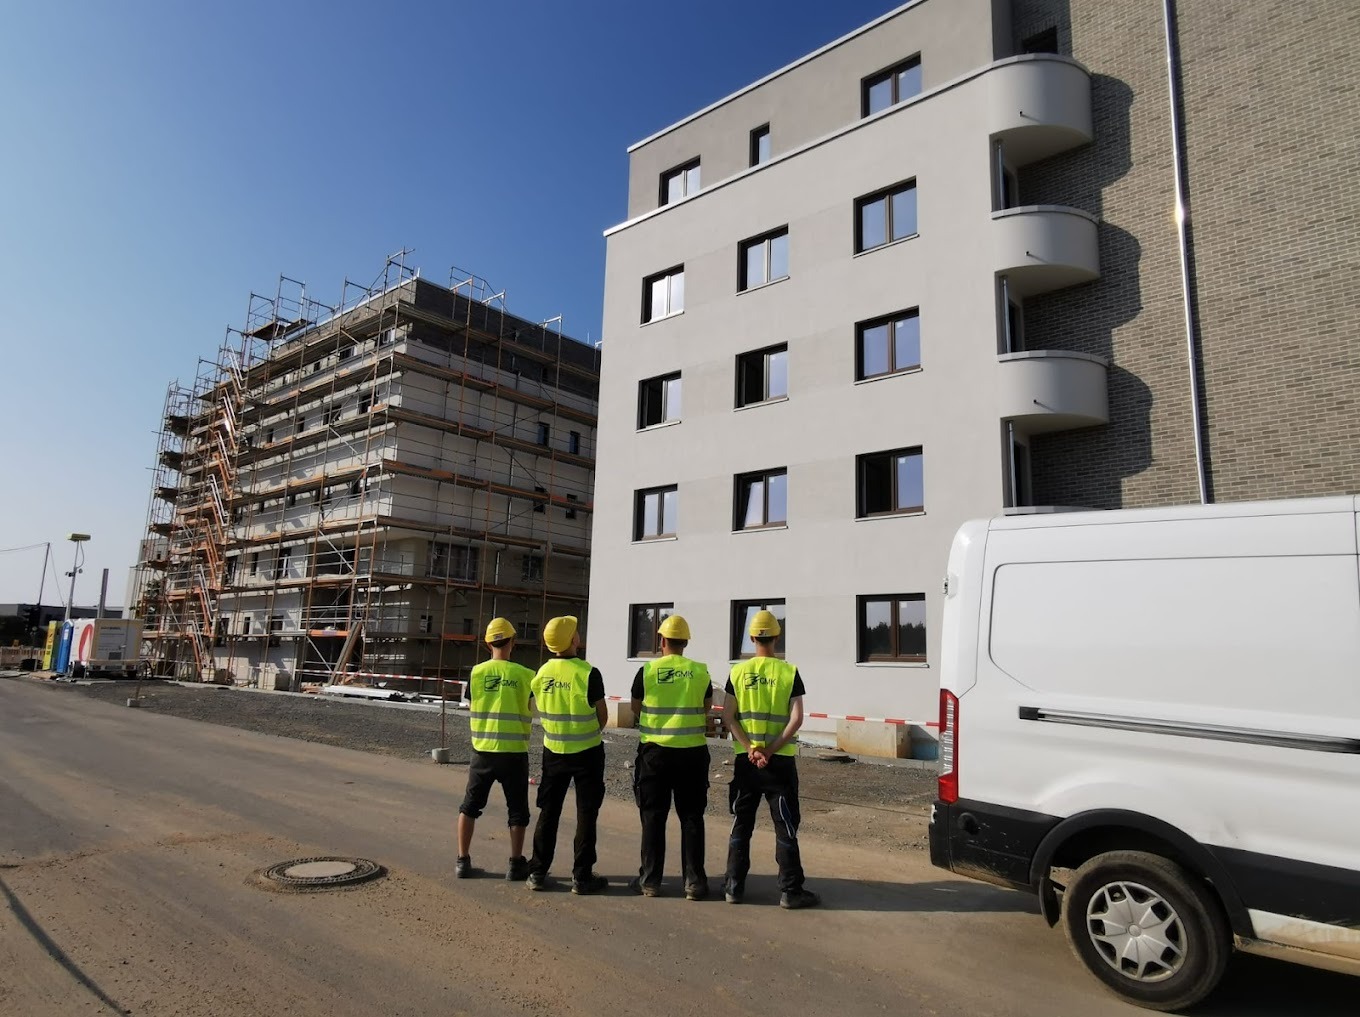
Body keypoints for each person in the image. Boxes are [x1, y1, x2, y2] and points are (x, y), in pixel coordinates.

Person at [721, 610, 820, 909]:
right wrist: (770, 750)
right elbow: (797, 718)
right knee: (785, 826)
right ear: (777, 636)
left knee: (742, 823)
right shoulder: (789, 672)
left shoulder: (737, 673)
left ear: (752, 637)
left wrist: (751, 748)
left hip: (747, 763)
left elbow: (728, 717)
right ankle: (791, 891)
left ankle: (733, 887)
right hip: (779, 764)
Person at [628, 614, 713, 900]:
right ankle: (694, 882)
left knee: (653, 816)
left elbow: (636, 706)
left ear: (661, 641)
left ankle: (650, 880)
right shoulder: (700, 671)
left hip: (655, 753)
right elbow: (706, 706)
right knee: (692, 817)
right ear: (685, 642)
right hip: (692, 753)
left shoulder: (647, 671)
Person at [525, 615, 609, 894]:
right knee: (586, 813)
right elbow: (602, 716)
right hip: (587, 752)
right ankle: (582, 877)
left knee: (549, 811)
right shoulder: (588, 673)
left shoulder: (541, 674)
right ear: (574, 639)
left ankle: (537, 871)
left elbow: (533, 708)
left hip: (554, 751)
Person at [456, 618, 535, 881]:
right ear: (513, 642)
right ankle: (515, 864)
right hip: (514, 752)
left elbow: (471, 705)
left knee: (470, 806)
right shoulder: (526, 675)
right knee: (517, 810)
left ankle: (462, 861)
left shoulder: (476, 673)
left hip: (483, 751)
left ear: (488, 644)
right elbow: (533, 709)